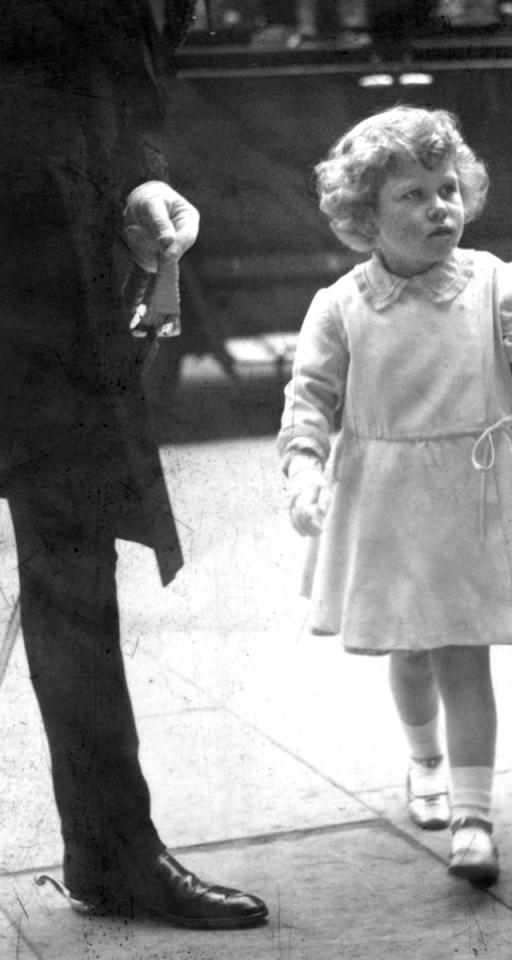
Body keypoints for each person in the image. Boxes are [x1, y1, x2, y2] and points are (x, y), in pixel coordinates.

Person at [278, 105, 512, 886]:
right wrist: (302, 469)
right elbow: (310, 397)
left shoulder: (495, 282)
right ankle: (423, 760)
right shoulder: (342, 305)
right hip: (386, 502)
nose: (440, 208)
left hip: (474, 497)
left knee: (464, 657)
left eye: (448, 189)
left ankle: (473, 817)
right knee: (413, 652)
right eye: (413, 196)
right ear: (365, 217)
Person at [0, 1, 268, 928]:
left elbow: (120, 79)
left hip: (51, 257)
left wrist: (139, 186)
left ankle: (111, 851)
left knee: (73, 556)